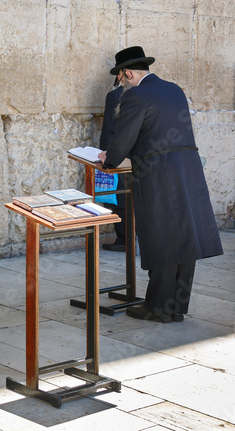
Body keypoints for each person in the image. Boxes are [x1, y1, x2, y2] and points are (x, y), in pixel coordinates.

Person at [98, 46, 223, 323]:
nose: (121, 83)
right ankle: (176, 307)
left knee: (161, 239)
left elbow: (123, 139)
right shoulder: (174, 90)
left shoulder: (136, 96)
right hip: (188, 170)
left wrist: (109, 158)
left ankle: (157, 308)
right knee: (183, 239)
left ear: (127, 73)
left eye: (120, 78)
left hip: (157, 175)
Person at [99, 80, 126, 252]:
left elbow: (109, 130)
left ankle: (124, 239)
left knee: (119, 196)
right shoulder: (149, 94)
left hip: (119, 154)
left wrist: (105, 154)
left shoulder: (115, 96)